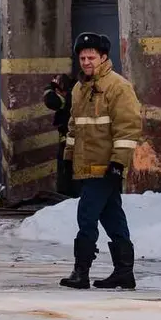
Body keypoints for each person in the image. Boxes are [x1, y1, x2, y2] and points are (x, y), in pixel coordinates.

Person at [59, 32, 142, 291]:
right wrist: (68, 160)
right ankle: (124, 273)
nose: (86, 62)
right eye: (82, 58)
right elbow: (74, 128)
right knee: (112, 217)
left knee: (87, 216)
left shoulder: (118, 87)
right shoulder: (79, 88)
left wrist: (118, 163)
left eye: (91, 57)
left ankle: (80, 272)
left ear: (104, 57)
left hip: (105, 167)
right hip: (87, 166)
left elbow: (128, 128)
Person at [43, 72, 78, 197]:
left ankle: (68, 200)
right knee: (66, 174)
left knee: (68, 175)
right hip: (69, 142)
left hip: (72, 144)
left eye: (57, 90)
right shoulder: (72, 96)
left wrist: (48, 88)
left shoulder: (67, 100)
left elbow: (50, 100)